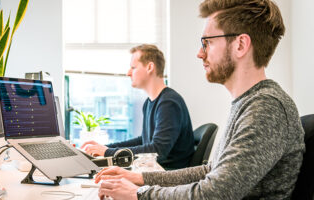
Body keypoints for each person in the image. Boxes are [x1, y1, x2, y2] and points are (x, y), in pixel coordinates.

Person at [95, 0, 306, 199]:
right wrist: (140, 178)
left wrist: (138, 194)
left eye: (207, 43)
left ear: (240, 45)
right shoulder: (249, 103)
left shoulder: (266, 108)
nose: (199, 53)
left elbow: (214, 194)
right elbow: (211, 171)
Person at [81, 44, 195, 170]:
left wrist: (108, 153)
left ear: (150, 67)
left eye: (133, 68)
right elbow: (144, 140)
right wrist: (107, 148)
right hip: (153, 171)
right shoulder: (150, 102)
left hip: (167, 176)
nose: (128, 73)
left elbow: (157, 151)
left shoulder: (168, 103)